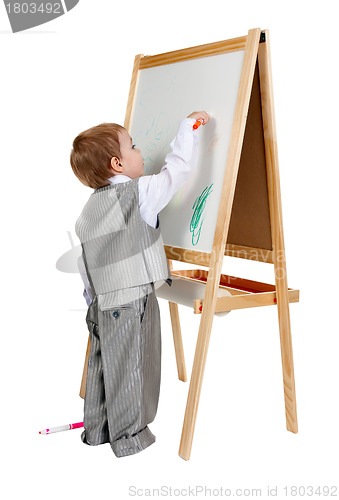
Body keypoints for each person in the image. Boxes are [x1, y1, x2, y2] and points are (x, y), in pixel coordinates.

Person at [70, 111, 209, 457]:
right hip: (133, 300)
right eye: (133, 146)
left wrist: (92, 299)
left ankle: (98, 429)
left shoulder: (88, 211)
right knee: (134, 366)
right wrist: (185, 128)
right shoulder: (140, 192)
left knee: (106, 364)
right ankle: (130, 437)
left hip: (101, 301)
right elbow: (175, 173)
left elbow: (85, 263)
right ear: (118, 163)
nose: (140, 151)